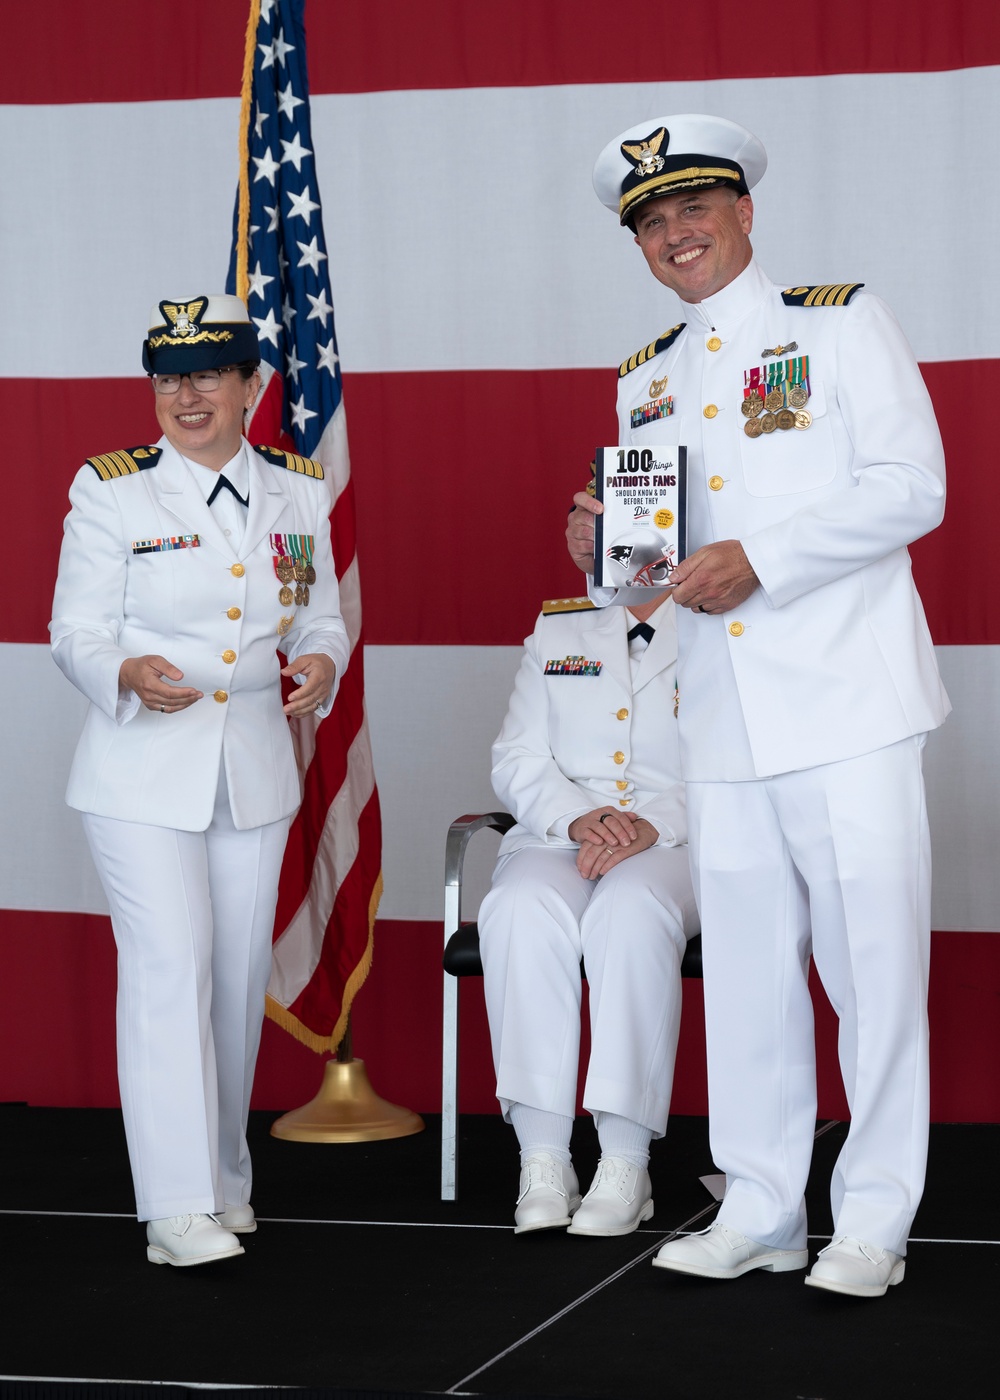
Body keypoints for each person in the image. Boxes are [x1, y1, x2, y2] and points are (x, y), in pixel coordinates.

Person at [566, 115, 950, 1296]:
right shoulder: (645, 378)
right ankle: (766, 1207)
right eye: (650, 223)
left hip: (847, 703)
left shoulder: (836, 323)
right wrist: (602, 554)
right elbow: (652, 565)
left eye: (692, 209)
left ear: (741, 213)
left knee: (870, 973)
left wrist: (766, 557)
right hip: (724, 716)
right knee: (743, 979)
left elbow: (912, 485)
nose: (674, 234)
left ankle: (872, 1220)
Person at [50, 294, 350, 1267]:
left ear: (250, 385)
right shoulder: (113, 489)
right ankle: (173, 1207)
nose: (186, 394)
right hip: (141, 770)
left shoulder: (297, 487)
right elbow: (78, 632)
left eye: (207, 373)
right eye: (169, 376)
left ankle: (222, 1182)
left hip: (253, 767)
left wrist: (319, 662)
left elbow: (317, 616)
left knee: (230, 981)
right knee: (168, 968)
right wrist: (123, 673)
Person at [478, 591, 697, 1235]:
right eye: (581, 510)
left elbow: (740, 754)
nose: (586, 527)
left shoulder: (721, 620)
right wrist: (576, 815)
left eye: (603, 511)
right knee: (518, 907)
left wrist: (652, 824)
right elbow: (518, 756)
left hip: (681, 839)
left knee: (630, 910)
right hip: (563, 833)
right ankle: (543, 1156)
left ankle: (626, 1160)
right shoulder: (558, 624)